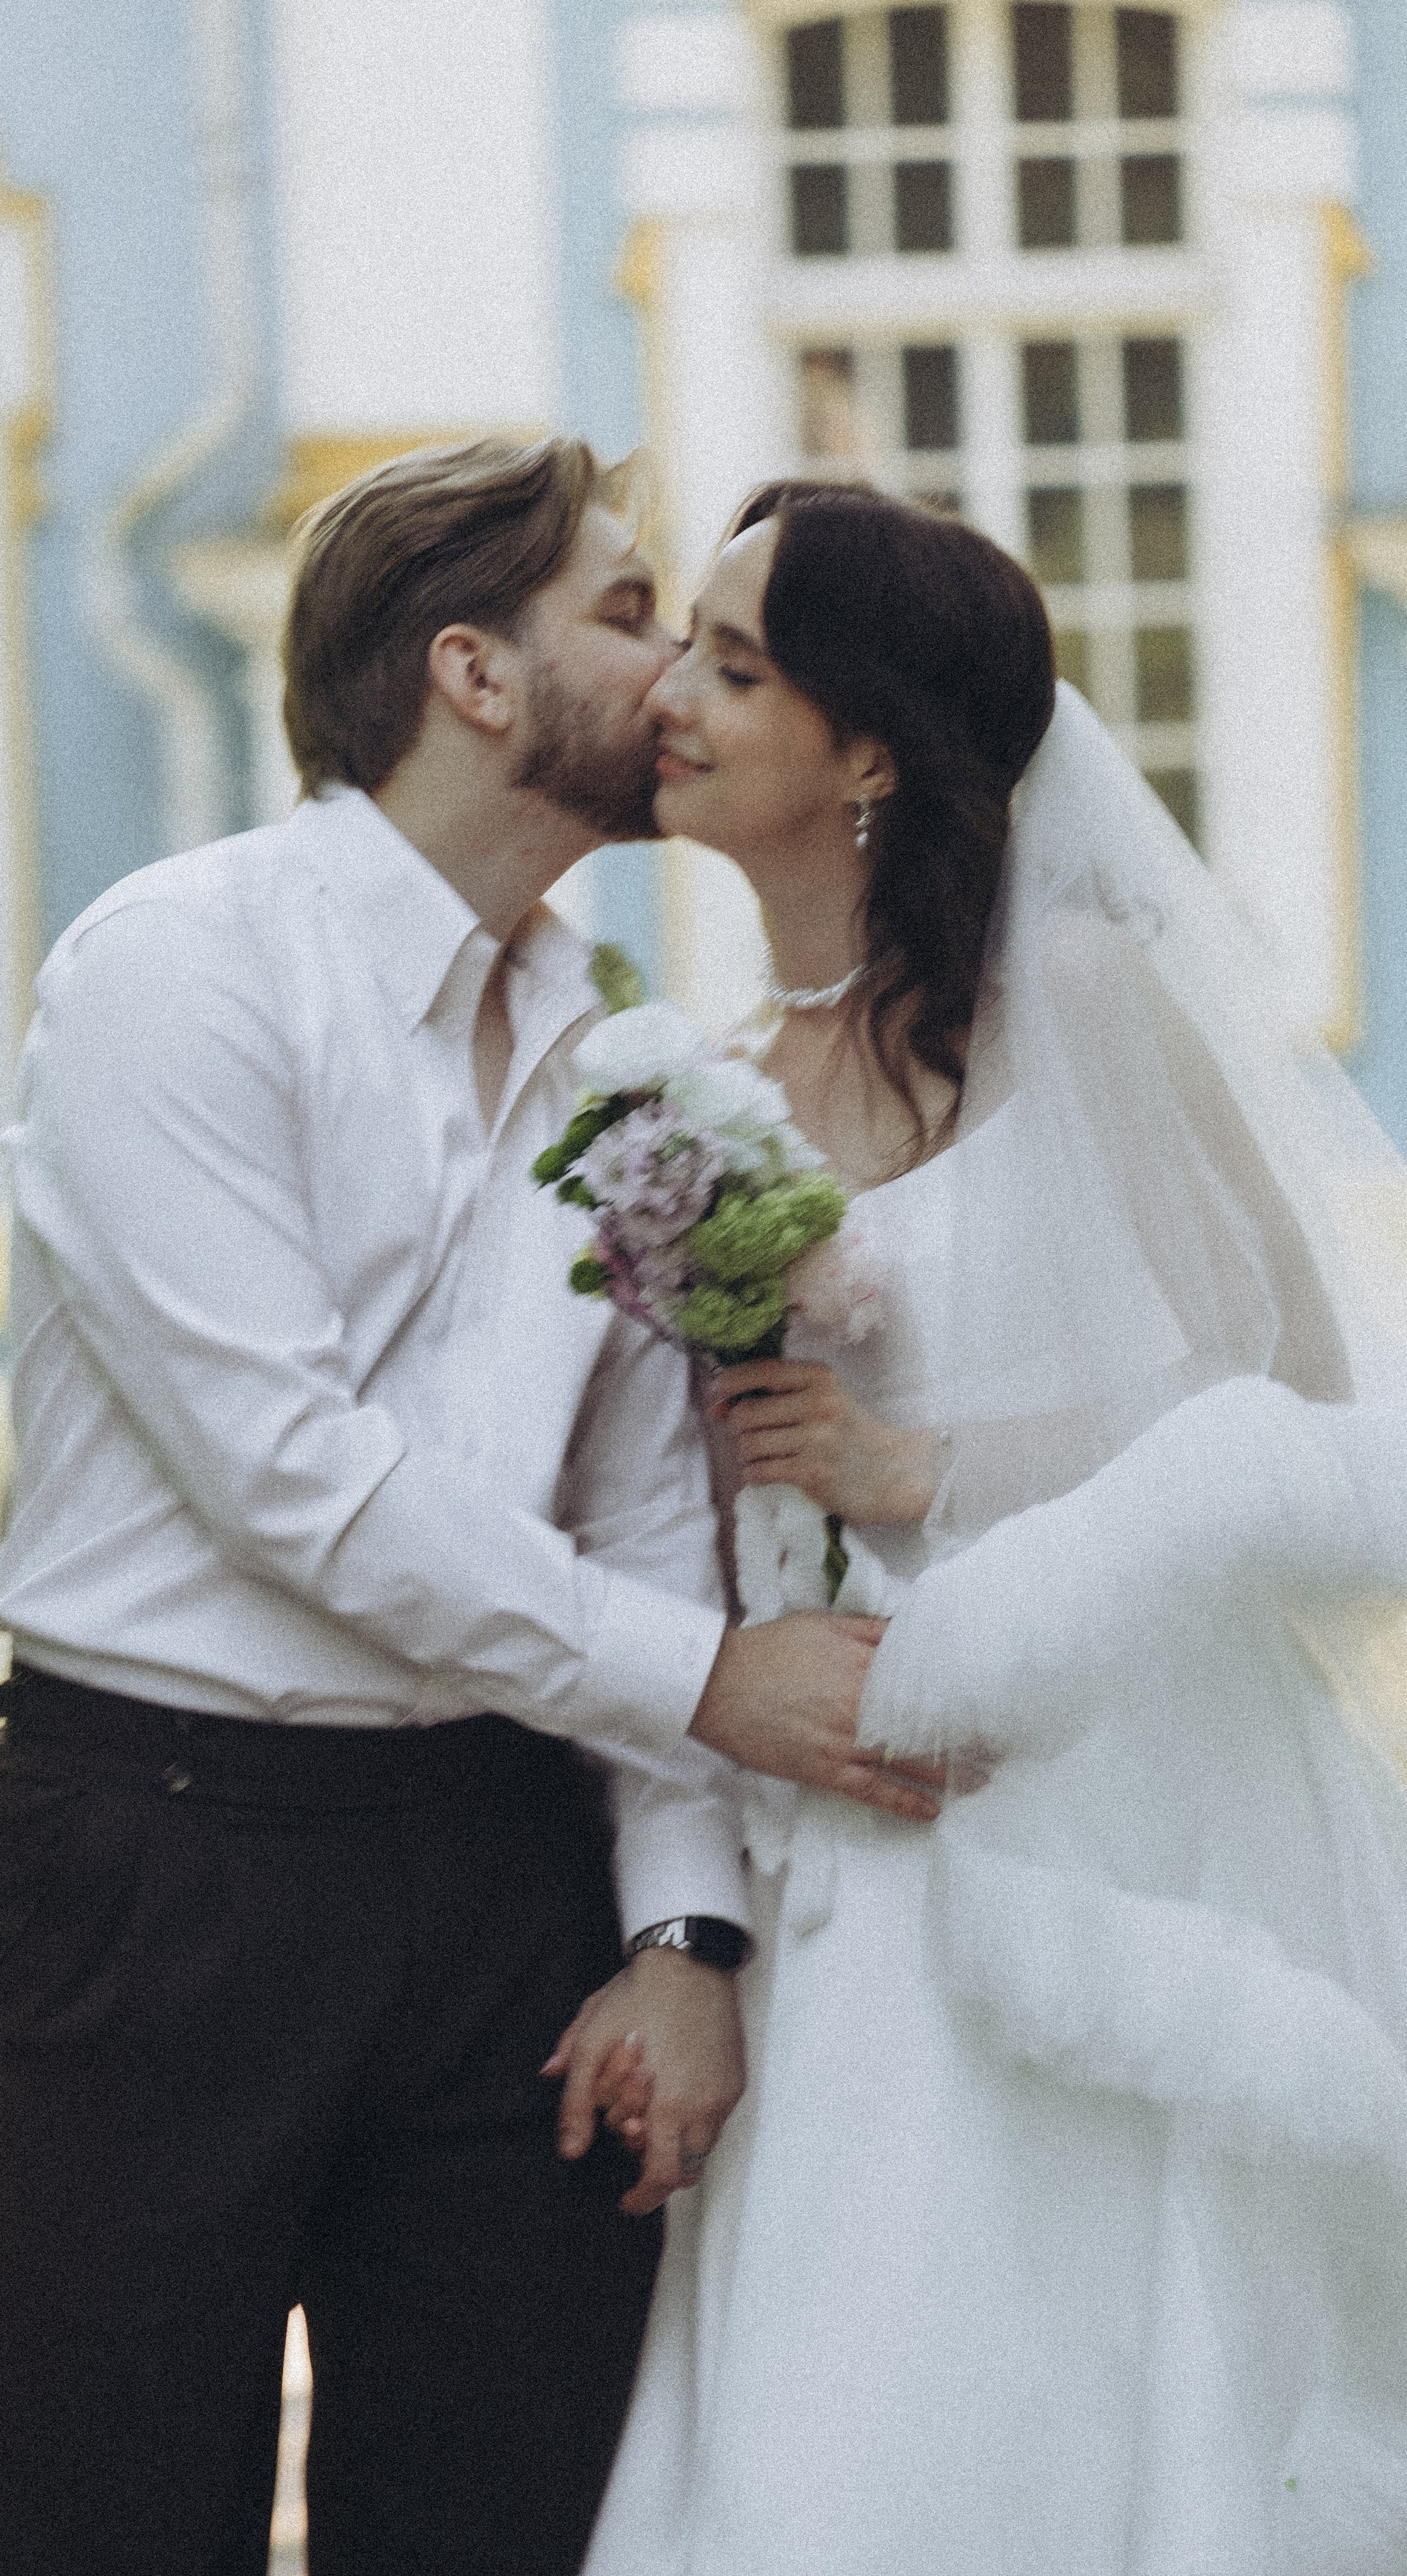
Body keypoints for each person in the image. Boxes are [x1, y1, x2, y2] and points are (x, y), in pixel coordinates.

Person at [0, 439, 937, 2576]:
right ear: (472, 674)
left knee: (498, 2523)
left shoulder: (622, 1052)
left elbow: (645, 1500)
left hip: (511, 1885)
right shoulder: (175, 970)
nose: (676, 665)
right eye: (627, 610)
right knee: (105, 2522)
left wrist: (682, 1930)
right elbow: (296, 1478)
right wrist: (721, 1690)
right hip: (162, 1865)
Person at [582, 482, 1407, 2574]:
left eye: (735, 665)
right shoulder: (691, 1093)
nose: (669, 695)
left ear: (868, 751)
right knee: (821, 2427)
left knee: (1078, 2393)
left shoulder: (1089, 1000)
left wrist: (917, 1466)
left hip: (1080, 1806)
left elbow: (1286, 1385)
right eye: (680, 645)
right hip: (828, 1831)